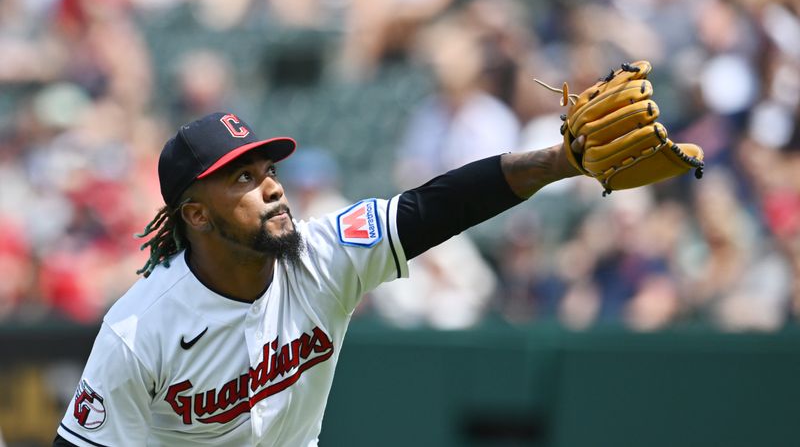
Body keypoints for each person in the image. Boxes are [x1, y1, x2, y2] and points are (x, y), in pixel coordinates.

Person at [53, 110, 583, 446]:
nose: (272, 189)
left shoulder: (321, 256)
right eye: (244, 178)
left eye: (269, 173)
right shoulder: (138, 330)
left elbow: (438, 206)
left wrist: (559, 160)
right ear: (196, 215)